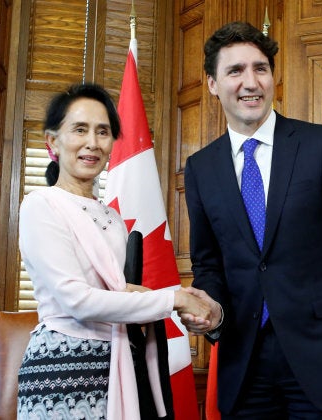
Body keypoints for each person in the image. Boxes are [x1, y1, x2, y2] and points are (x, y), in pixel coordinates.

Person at [181, 21, 322, 419]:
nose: (250, 82)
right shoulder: (200, 168)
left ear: (272, 77)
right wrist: (209, 309)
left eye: (260, 68)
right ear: (213, 83)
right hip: (244, 362)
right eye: (235, 71)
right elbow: (209, 264)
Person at [16, 83, 211, 420]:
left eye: (103, 132)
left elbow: (116, 292)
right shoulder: (41, 205)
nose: (92, 142)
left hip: (117, 365)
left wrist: (179, 295)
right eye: (80, 129)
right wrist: (173, 300)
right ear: (52, 142)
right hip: (60, 368)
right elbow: (77, 300)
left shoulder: (113, 218)